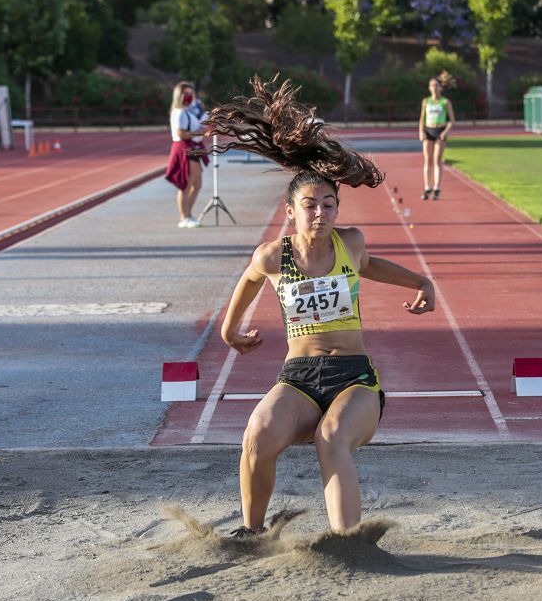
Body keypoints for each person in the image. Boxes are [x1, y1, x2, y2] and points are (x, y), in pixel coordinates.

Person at [204, 77, 436, 535]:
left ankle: (347, 541)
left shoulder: (350, 243)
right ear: (291, 210)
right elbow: (249, 282)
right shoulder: (274, 255)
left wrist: (420, 281)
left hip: (354, 377)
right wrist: (229, 331)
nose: (321, 213)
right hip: (299, 377)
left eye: (329, 204)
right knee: (256, 437)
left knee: (331, 441)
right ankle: (252, 533)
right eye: (310, 205)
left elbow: (372, 266)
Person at [165, 82, 209, 228]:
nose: (189, 96)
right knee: (186, 184)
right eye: (186, 93)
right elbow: (180, 133)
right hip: (185, 147)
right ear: (179, 95)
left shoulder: (189, 111)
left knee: (197, 184)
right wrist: (199, 132)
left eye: (191, 93)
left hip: (193, 146)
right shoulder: (180, 112)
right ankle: (184, 217)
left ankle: (188, 215)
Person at [418, 76, 455, 201]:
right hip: (428, 130)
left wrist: (446, 132)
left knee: (437, 159)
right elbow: (422, 119)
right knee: (427, 159)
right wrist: (421, 131)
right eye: (432, 85)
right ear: (429, 88)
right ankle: (427, 186)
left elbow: (452, 120)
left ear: (440, 88)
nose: (434, 88)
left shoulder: (445, 102)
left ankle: (437, 187)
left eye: (436, 85)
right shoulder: (426, 101)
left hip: (440, 131)